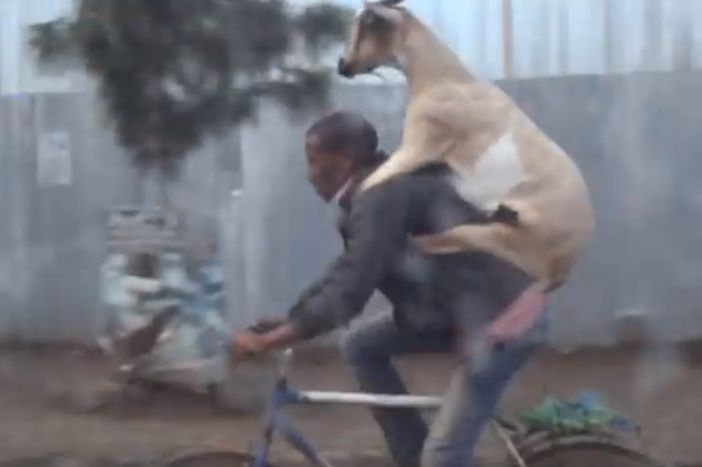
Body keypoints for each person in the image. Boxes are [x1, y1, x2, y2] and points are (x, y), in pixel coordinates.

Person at [231, 111, 548, 467]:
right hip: (458, 312)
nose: (309, 174)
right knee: (360, 345)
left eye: (314, 161)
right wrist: (292, 320)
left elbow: (351, 289)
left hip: (501, 319)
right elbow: (348, 269)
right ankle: (410, 453)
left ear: (344, 161)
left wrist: (272, 340)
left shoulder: (382, 196)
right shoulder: (375, 194)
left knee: (443, 457)